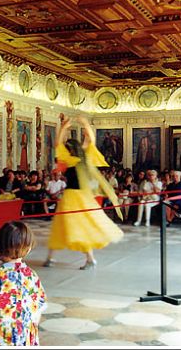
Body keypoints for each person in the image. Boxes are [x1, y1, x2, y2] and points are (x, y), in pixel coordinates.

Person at [44, 116, 123, 270]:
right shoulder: (72, 159)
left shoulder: (81, 158)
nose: (66, 149)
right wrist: (65, 127)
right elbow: (59, 144)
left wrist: (84, 125)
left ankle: (88, 259)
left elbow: (89, 141)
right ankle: (51, 257)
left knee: (78, 228)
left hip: (77, 198)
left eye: (69, 147)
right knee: (62, 226)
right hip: (72, 197)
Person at [0, 221, 47, 346]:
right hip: (23, 333)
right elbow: (38, 307)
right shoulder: (32, 275)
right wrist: (31, 327)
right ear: (28, 248)